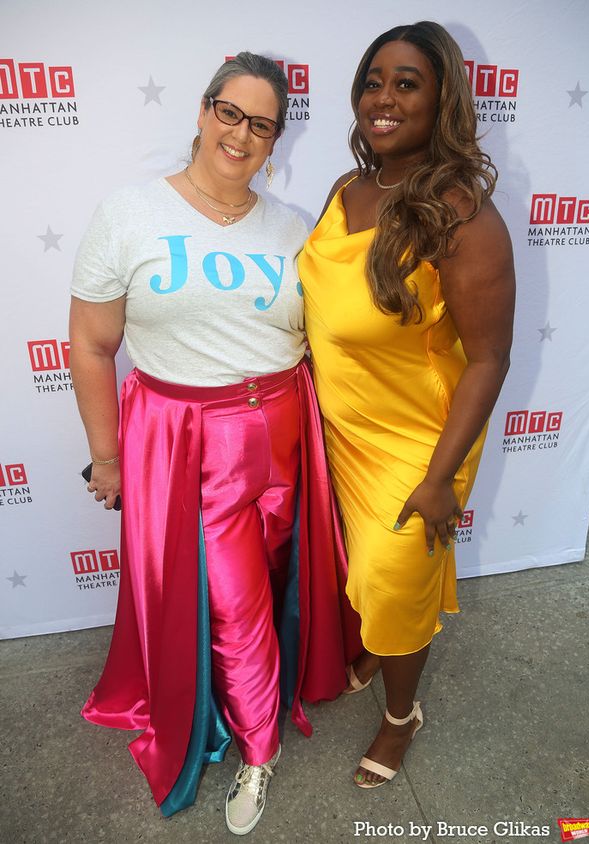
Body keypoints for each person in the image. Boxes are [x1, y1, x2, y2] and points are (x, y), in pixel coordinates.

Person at [70, 51, 360, 834]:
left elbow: (327, 336)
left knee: (275, 581)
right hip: (193, 444)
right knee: (234, 604)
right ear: (203, 112)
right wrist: (107, 456)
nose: (240, 134)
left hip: (288, 429)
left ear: (277, 140)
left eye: (261, 124)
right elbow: (91, 344)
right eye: (229, 113)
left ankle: (254, 692)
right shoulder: (130, 213)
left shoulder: (294, 228)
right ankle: (259, 750)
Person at [299, 22, 515, 787]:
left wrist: (439, 479)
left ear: (442, 98)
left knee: (394, 576)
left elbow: (488, 359)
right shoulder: (346, 189)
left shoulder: (462, 216)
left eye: (406, 83)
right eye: (373, 82)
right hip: (339, 425)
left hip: (419, 442)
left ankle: (400, 718)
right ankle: (374, 647)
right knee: (359, 570)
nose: (382, 99)